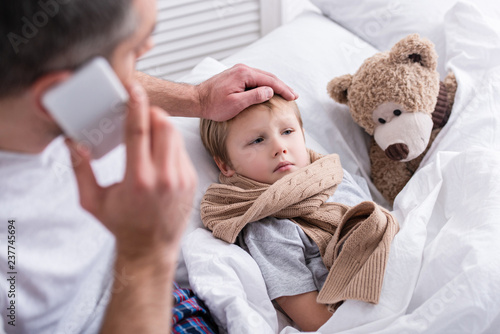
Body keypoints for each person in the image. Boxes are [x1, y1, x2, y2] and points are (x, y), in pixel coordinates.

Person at [0, 0, 298, 333]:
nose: (149, 48)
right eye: (132, 50)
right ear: (53, 94)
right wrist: (146, 256)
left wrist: (196, 99)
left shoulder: (33, 86)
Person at [199, 96, 399, 331]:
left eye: (287, 131)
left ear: (302, 135)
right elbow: (313, 320)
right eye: (258, 140)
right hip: (366, 310)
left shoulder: (334, 174)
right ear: (226, 166)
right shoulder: (267, 229)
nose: (279, 148)